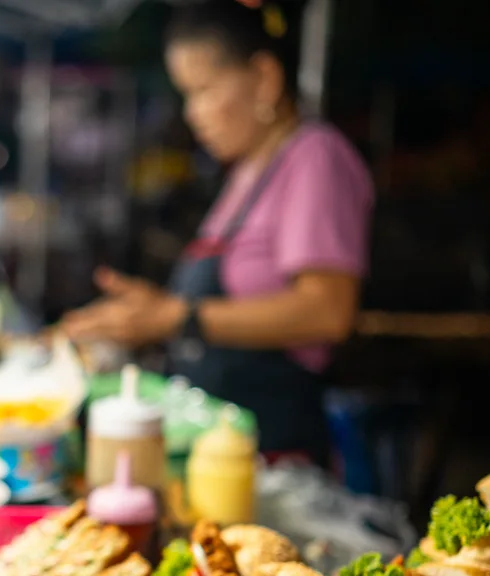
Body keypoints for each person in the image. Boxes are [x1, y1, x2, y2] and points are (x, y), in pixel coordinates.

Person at [60, 0, 374, 464]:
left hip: (271, 459)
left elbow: (328, 310)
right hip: (212, 452)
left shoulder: (314, 157)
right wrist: (147, 314)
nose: (192, 113)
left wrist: (178, 318)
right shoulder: (248, 173)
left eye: (203, 90)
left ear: (265, 78)